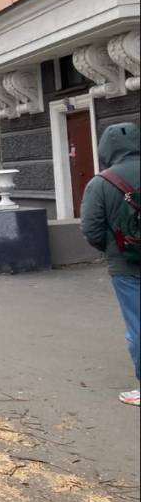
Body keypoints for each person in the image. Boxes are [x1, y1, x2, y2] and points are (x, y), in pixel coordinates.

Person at [80, 122, 140, 407]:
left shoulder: (101, 183)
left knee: (138, 325)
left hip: (126, 267)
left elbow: (90, 228)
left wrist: (114, 249)